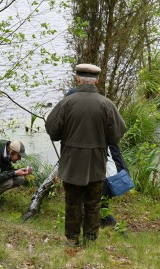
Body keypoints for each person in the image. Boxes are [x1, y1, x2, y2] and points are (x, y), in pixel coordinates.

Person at [45, 64, 126, 246]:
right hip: (96, 162)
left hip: (72, 162)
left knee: (72, 202)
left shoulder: (66, 103)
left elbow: (53, 132)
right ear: (96, 80)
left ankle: (72, 240)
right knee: (93, 202)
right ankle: (90, 240)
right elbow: (116, 136)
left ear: (78, 79)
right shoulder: (107, 104)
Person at [65, 89, 130, 228]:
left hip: (107, 176)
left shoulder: (90, 127)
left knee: (96, 207)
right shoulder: (96, 118)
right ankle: (108, 230)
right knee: (98, 206)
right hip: (110, 174)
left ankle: (115, 230)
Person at [0, 139, 33, 210]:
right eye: (19, 156)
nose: (20, 159)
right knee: (8, 182)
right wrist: (15, 173)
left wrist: (22, 172)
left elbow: (10, 170)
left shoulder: (6, 154)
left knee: (20, 179)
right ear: (12, 152)